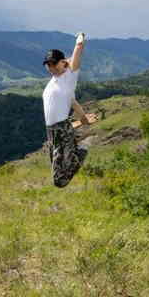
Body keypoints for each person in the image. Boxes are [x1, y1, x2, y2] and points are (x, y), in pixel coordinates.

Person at [42, 32, 93, 187]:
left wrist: (80, 37)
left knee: (60, 180)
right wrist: (83, 119)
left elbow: (78, 49)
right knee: (58, 175)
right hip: (51, 132)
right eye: (48, 64)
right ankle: (78, 147)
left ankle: (83, 148)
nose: (50, 67)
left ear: (62, 62)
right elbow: (72, 101)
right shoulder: (54, 80)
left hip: (63, 130)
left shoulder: (70, 75)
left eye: (53, 63)